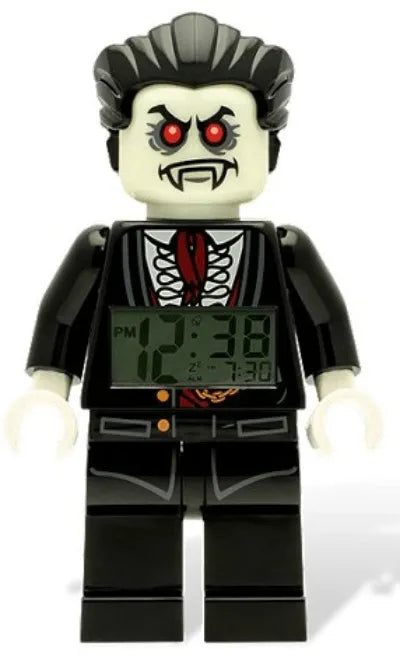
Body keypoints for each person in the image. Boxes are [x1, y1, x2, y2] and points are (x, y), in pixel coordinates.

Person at [5, 12, 381, 642]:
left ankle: (255, 612)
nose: (197, 154)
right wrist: (47, 393)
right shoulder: (103, 249)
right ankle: (131, 613)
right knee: (125, 535)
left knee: (260, 538)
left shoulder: (283, 249)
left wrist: (338, 391)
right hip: (130, 433)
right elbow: (63, 320)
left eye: (218, 132)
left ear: (270, 149)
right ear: (116, 149)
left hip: (254, 431)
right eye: (169, 134)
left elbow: (322, 321)